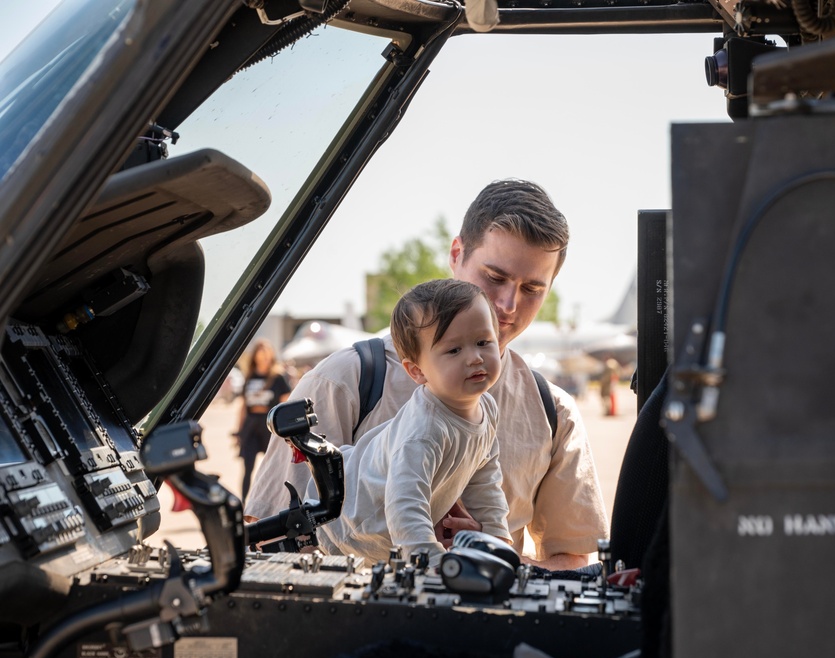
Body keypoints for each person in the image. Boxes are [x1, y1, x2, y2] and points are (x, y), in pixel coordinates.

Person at [246, 179, 609, 570]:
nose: (507, 305)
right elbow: (267, 544)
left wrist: (492, 557)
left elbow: (572, 560)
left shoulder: (553, 411)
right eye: (495, 277)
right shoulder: (343, 381)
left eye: (533, 288)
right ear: (457, 254)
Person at [315, 279, 510, 564]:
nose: (475, 358)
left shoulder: (487, 409)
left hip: (394, 541)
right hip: (354, 532)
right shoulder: (425, 428)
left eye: (483, 342)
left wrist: (496, 538)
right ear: (417, 371)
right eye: (454, 350)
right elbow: (406, 503)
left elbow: (485, 478)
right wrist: (430, 563)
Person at [235, 339, 291, 501]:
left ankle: (274, 501)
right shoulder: (250, 377)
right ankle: (244, 503)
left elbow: (285, 404)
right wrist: (239, 431)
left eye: (266, 353)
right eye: (261, 353)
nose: (264, 357)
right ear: (255, 356)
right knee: (247, 467)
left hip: (270, 425)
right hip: (251, 425)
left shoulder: (278, 378)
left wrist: (285, 431)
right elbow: (244, 407)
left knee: (273, 467)